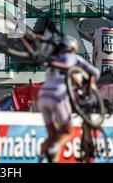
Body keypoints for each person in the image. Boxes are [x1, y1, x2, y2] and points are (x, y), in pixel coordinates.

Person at [37, 35, 100, 163]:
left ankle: (43, 156)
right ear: (72, 48)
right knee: (68, 132)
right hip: (58, 96)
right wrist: (91, 83)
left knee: (52, 135)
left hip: (42, 95)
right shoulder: (74, 57)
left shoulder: (52, 58)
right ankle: (54, 148)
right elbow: (94, 72)